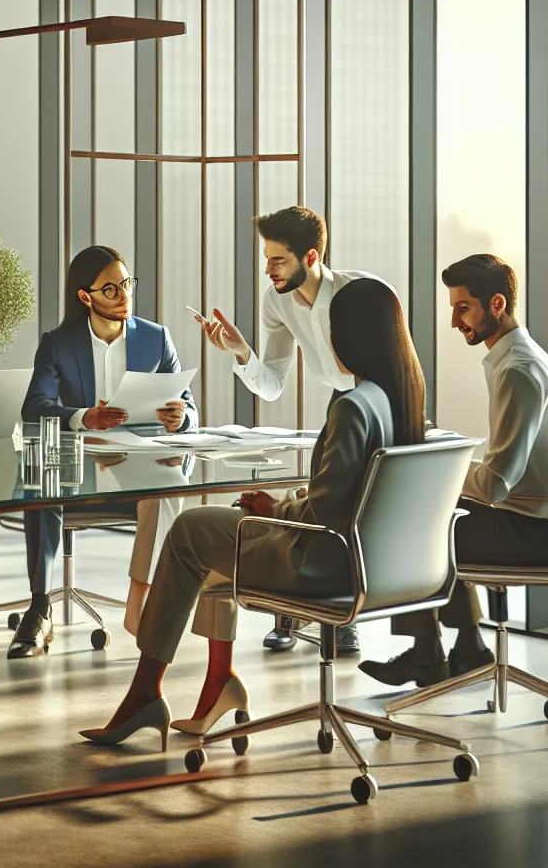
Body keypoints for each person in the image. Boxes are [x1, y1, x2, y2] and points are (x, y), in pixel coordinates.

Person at [84, 277, 426, 747]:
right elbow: (352, 500)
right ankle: (217, 682)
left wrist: (277, 507)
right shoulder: (402, 400)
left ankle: (146, 692)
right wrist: (278, 507)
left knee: (189, 531)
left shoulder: (351, 408)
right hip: (376, 567)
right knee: (212, 537)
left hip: (319, 564)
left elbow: (323, 514)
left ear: (349, 337)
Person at [360, 254, 548, 687]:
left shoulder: (519, 371)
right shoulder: (517, 360)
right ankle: (466, 649)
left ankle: (433, 653)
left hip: (537, 530)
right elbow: (506, 470)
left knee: (410, 528)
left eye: (463, 308)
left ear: (496, 304)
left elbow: (497, 486)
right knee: (430, 515)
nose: (453, 321)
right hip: (539, 517)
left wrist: (441, 465)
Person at [199, 205, 375, 657]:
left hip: (370, 403)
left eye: (278, 260)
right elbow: (272, 385)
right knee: (307, 497)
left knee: (337, 509)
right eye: (267, 258)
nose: (268, 269)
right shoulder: (275, 300)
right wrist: (242, 354)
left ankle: (340, 619)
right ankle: (292, 614)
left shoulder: (359, 294)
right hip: (340, 404)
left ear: (311, 257)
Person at [8, 245, 195, 659]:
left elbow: (189, 407)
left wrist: (179, 419)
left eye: (127, 283)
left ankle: (142, 603)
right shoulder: (58, 344)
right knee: (42, 476)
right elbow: (34, 406)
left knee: (168, 486)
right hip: (78, 465)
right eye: (110, 289)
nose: (124, 294)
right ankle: (40, 607)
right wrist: (82, 417)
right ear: (85, 296)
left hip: (140, 465)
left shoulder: (155, 337)